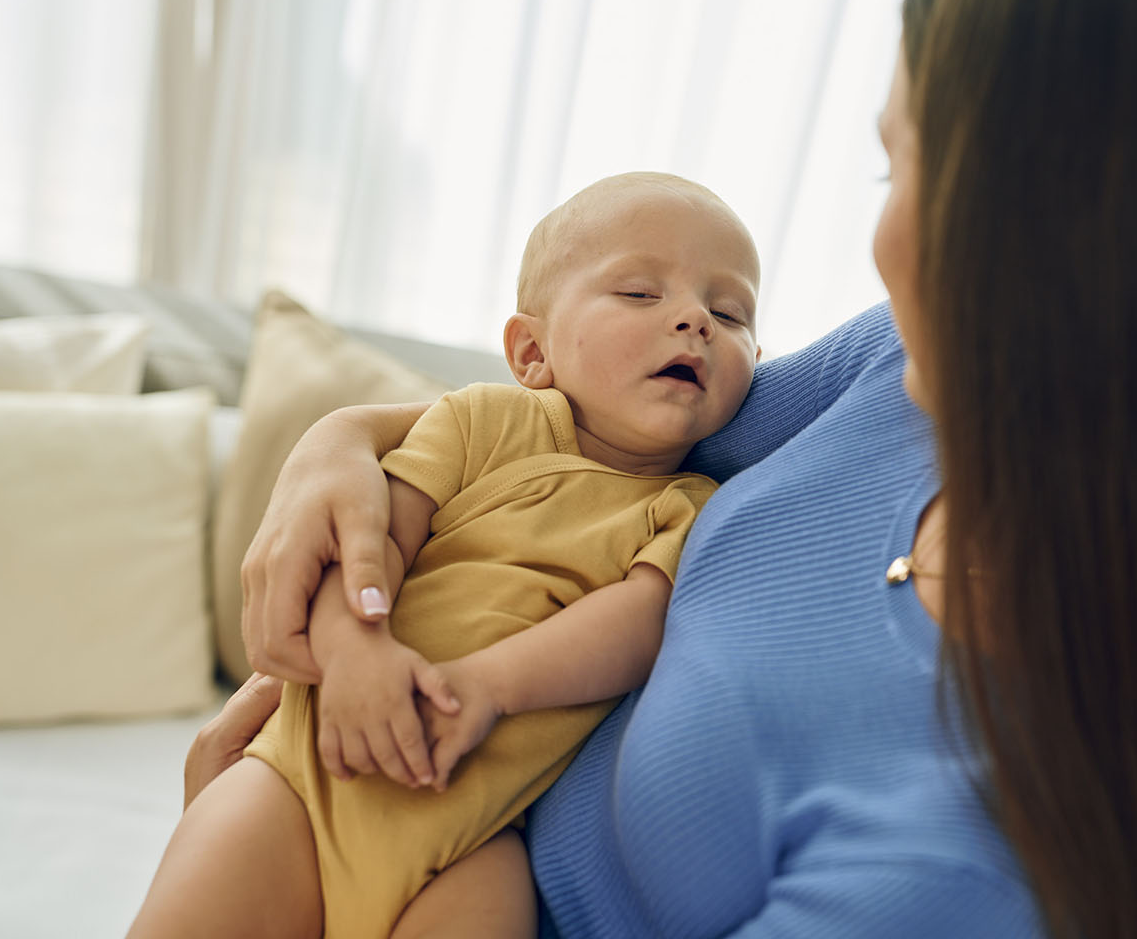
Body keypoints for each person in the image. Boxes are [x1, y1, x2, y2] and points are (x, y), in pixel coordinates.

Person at [185, 0, 1137, 936]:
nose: (876, 245)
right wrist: (333, 447)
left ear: (1064, 245)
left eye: (903, 166)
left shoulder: (971, 873)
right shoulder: (908, 375)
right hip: (369, 805)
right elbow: (608, 424)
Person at [130, 172, 762, 939]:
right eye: (639, 293)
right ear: (532, 351)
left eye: (730, 313)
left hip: (472, 833)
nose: (696, 320)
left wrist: (487, 685)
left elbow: (638, 622)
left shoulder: (693, 504)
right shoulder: (483, 423)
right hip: (304, 776)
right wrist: (355, 651)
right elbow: (369, 546)